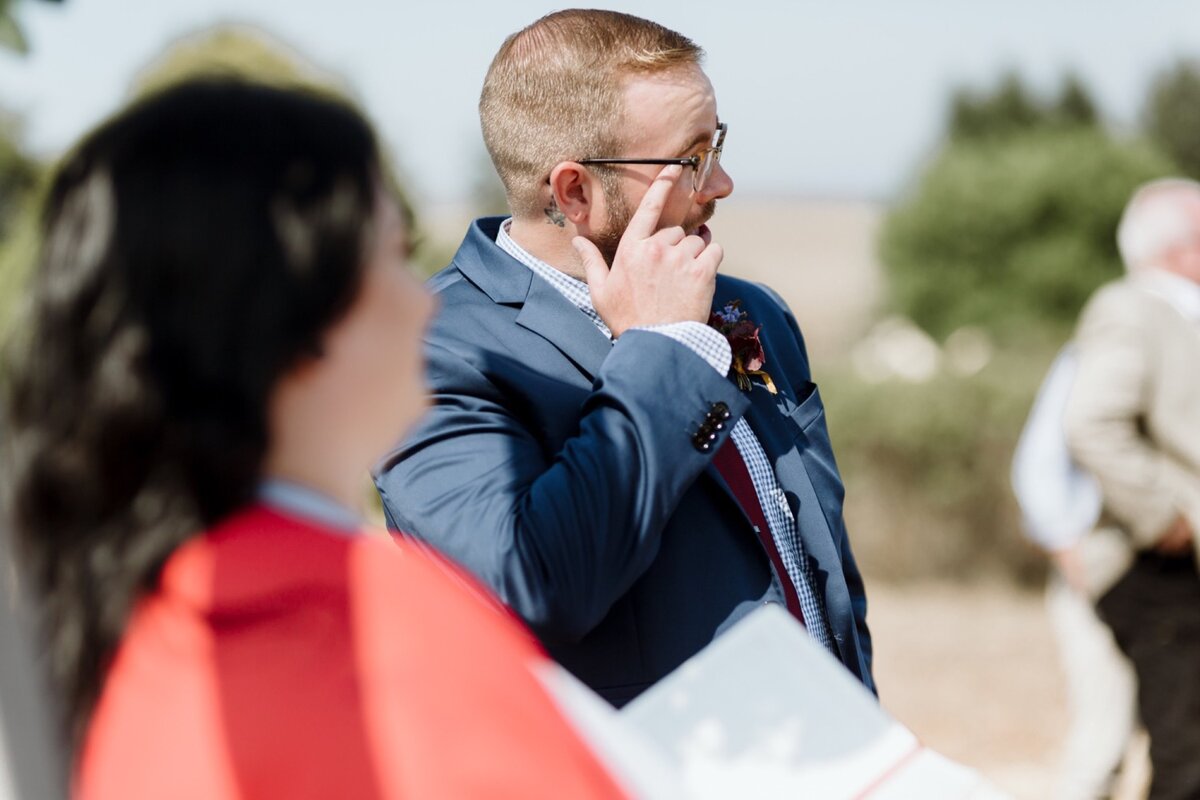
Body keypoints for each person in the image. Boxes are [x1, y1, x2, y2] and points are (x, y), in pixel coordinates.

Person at [4, 78, 625, 799]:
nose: (424, 298)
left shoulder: (132, 619)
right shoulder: (374, 644)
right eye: (395, 255)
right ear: (298, 318)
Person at [375, 9, 874, 707]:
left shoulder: (753, 310)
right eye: (690, 160)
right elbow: (537, 585)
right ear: (575, 191)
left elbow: (820, 569)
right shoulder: (424, 352)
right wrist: (662, 350)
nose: (721, 184)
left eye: (718, 145)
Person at [1064, 177, 1200, 800]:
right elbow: (1090, 422)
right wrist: (1165, 520)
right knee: (1186, 756)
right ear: (1184, 245)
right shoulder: (1133, 306)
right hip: (1161, 568)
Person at [1012, 347, 1140, 800]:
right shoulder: (1103, 343)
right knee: (1103, 740)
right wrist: (1068, 543)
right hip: (1108, 561)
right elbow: (1040, 459)